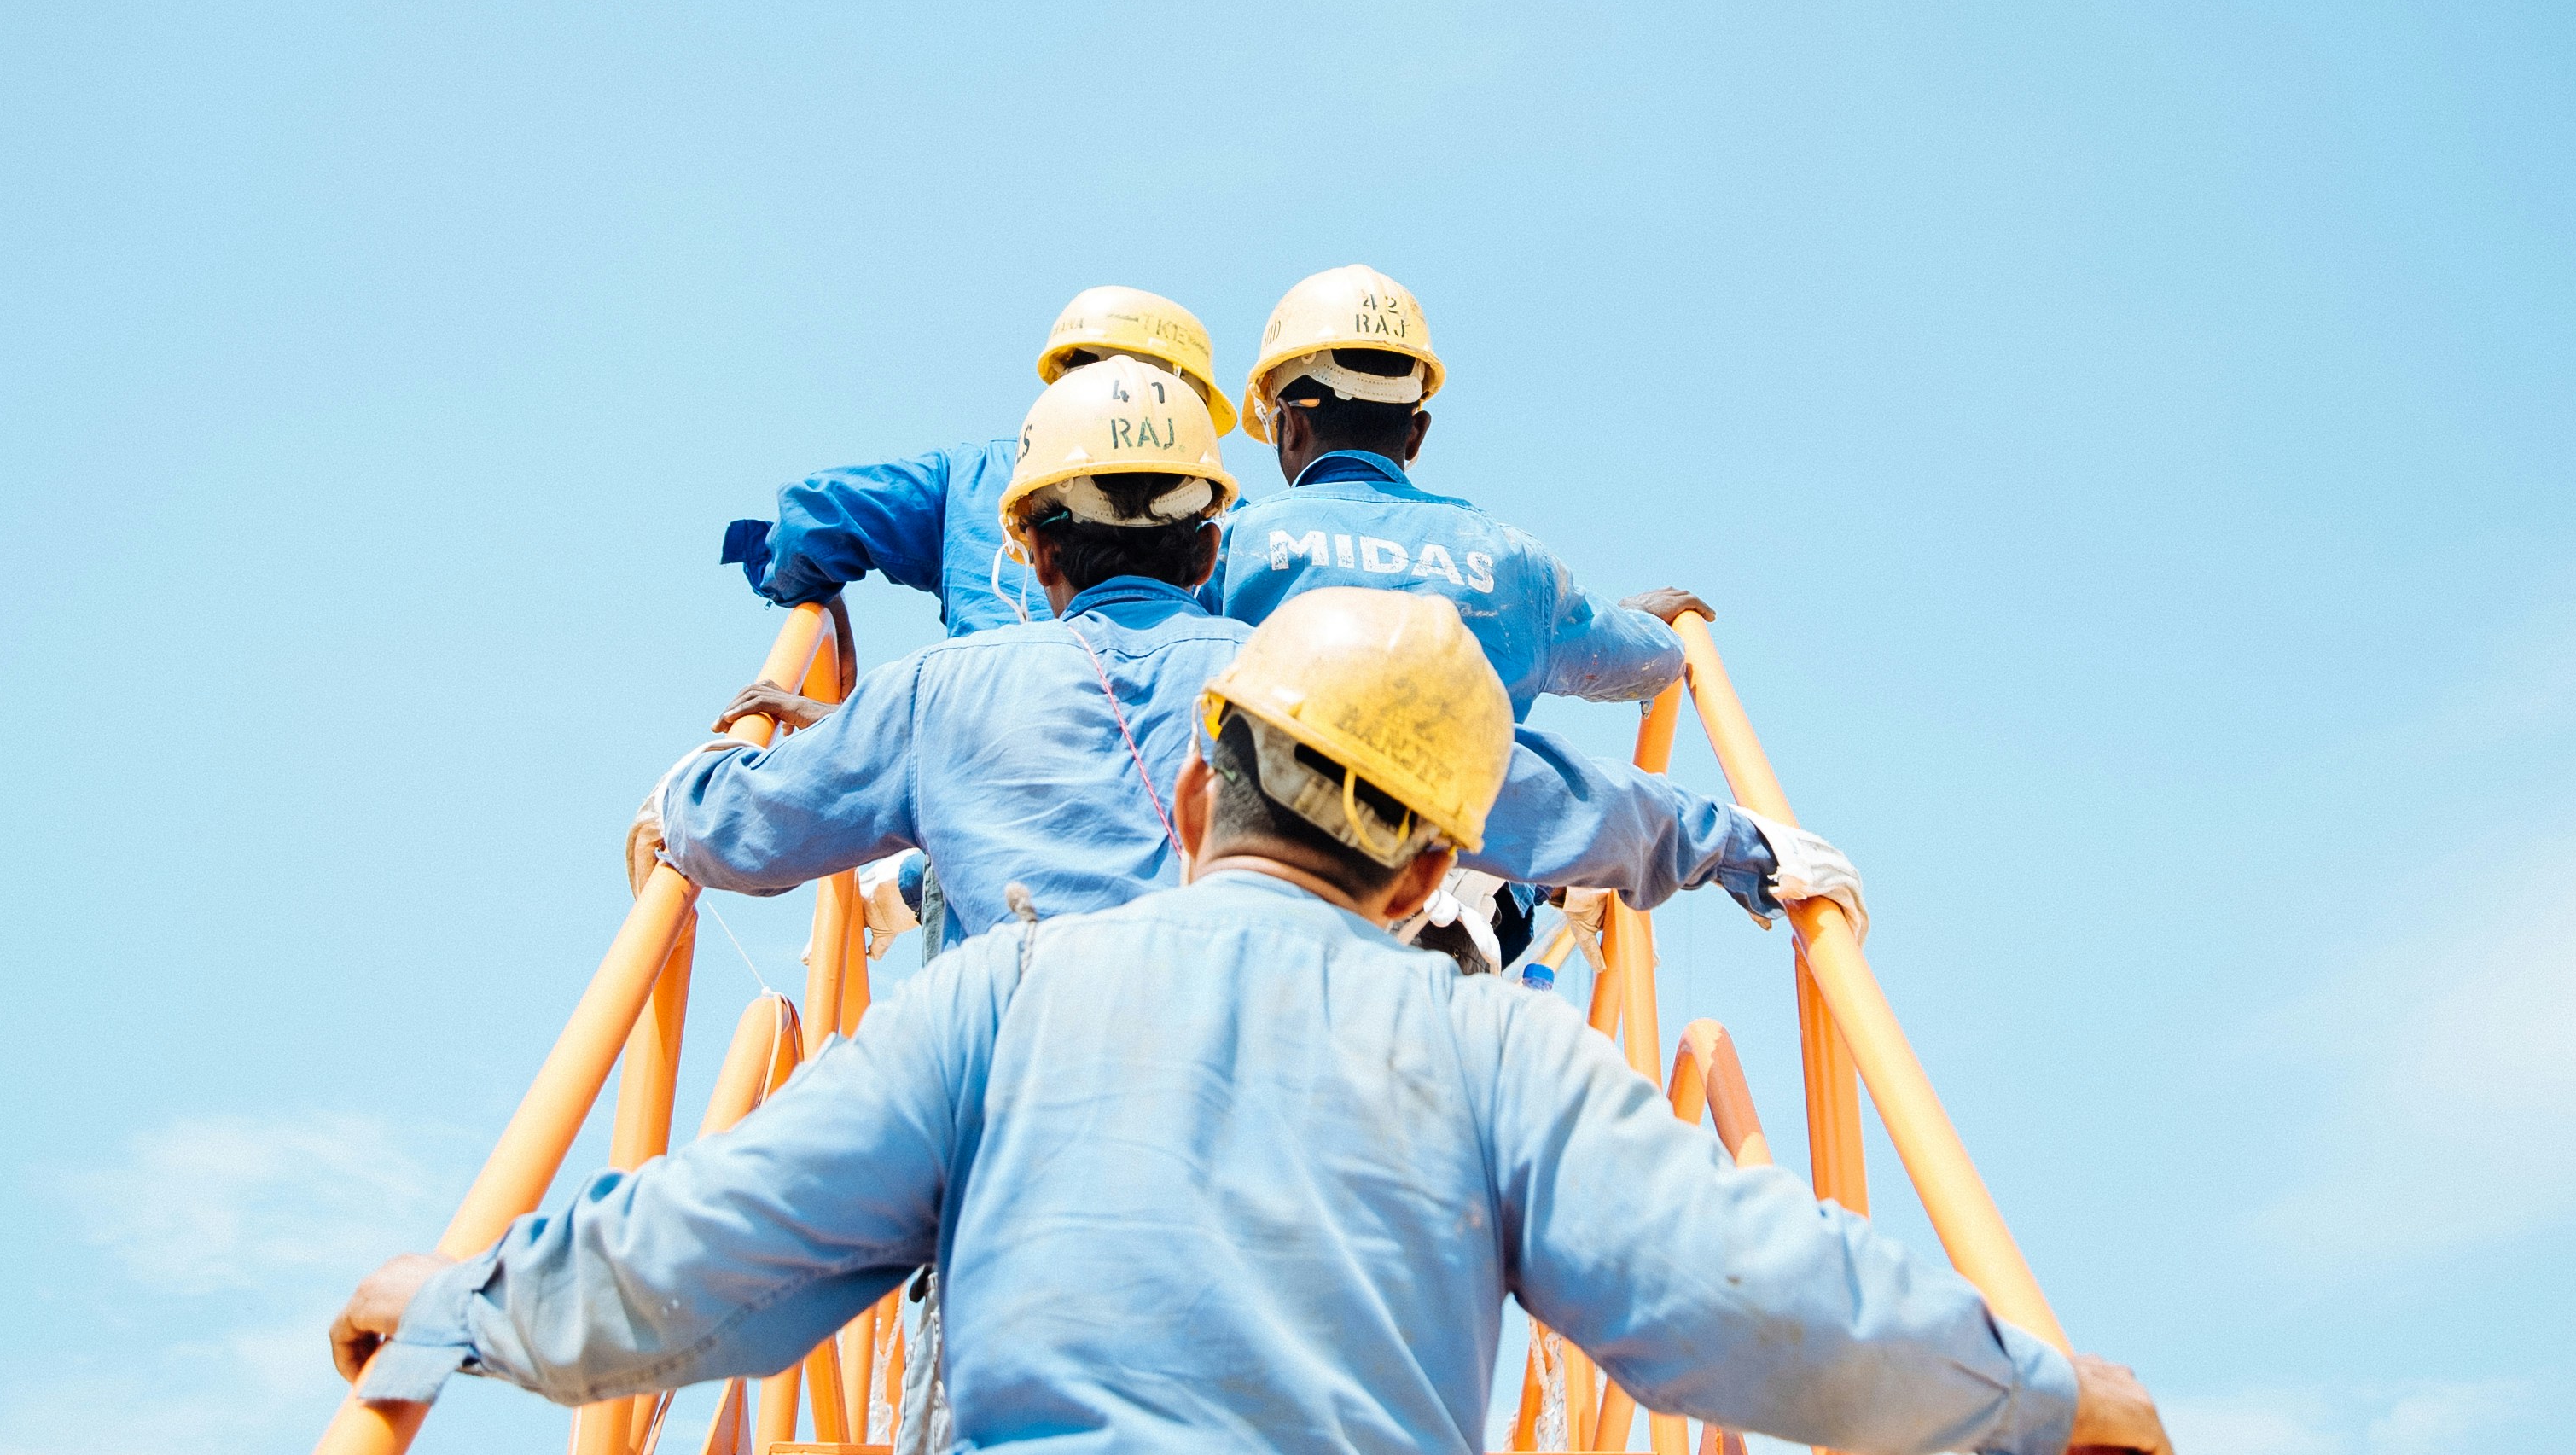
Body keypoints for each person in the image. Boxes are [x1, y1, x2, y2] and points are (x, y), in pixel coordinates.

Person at [334, 588, 2170, 1455]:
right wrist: (2033, 1392)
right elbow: (1743, 1286)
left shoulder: (994, 998)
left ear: (1201, 787)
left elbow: (716, 1246)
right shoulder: (1502, 1049)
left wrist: (451, 1312)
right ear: (1429, 866)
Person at [625, 358, 1866, 957]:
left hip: (1010, 1181)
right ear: (1210, 526)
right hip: (1265, 1157)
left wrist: (705, 772)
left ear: (1030, 544)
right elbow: (1535, 788)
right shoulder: (1303, 679)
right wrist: (1736, 842)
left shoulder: (931, 696)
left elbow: (737, 832)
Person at [1209, 264, 1703, 723]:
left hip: (1275, 813)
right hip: (1471, 817)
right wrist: (1639, 621)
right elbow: (1648, 661)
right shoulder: (1514, 561)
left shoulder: (1229, 547)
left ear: (1290, 425)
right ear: (1416, 433)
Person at [718, 285, 1237, 639]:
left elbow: (811, 521)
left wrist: (813, 597)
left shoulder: (969, 480)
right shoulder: (1225, 520)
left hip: (975, 751)